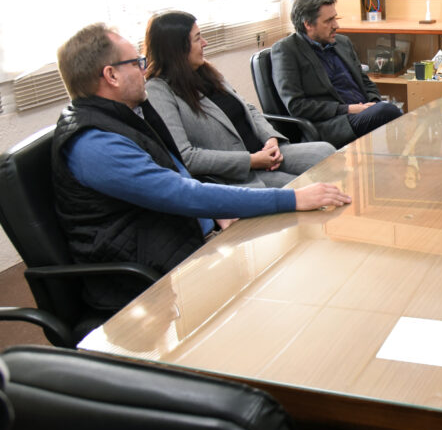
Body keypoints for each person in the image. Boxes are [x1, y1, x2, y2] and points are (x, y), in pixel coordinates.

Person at [52, 23, 351, 311]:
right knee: (279, 278)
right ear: (111, 75)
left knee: (292, 263)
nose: (143, 70)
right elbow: (179, 192)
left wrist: (212, 212)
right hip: (141, 278)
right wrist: (294, 198)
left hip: (173, 239)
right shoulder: (96, 144)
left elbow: (174, 170)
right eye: (135, 63)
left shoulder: (121, 118)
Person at [144, 10, 335, 188]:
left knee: (328, 154)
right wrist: (251, 160)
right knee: (302, 187)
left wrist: (270, 139)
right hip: (236, 173)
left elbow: (249, 108)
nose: (205, 43)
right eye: (197, 39)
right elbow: (187, 156)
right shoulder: (158, 91)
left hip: (264, 152)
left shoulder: (205, 71)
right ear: (177, 49)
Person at [271, 0, 402, 148]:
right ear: (308, 24)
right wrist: (348, 109)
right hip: (333, 124)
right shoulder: (287, 51)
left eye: (335, 18)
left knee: (394, 114)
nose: (336, 25)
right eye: (328, 21)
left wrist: (373, 103)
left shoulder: (342, 42)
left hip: (362, 112)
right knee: (389, 112)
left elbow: (365, 82)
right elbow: (297, 106)